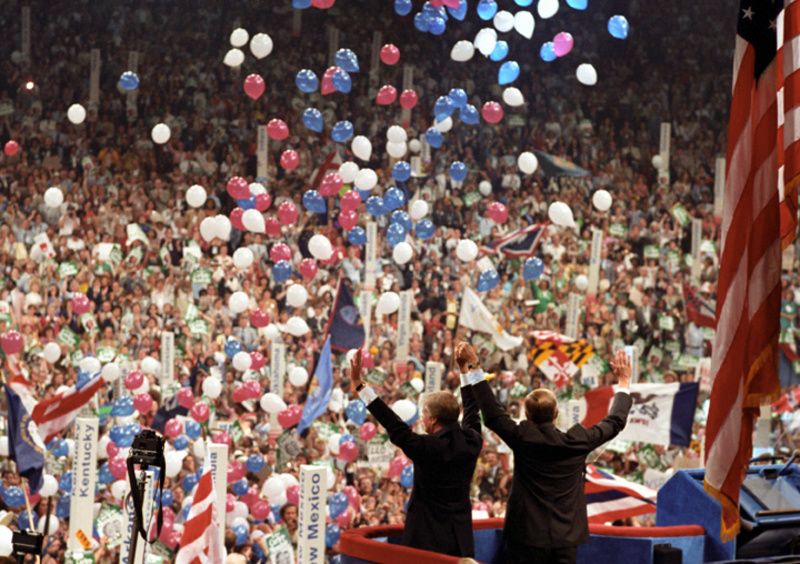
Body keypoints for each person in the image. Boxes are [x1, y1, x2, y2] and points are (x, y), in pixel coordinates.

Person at [461, 345, 633, 564]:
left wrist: (474, 367)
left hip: (525, 539)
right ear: (556, 414)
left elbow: (492, 414)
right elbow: (615, 421)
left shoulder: (522, 438)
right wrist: (624, 383)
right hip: (565, 541)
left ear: (527, 415)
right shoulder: (578, 442)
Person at [349, 343, 482, 557]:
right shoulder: (472, 441)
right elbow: (473, 410)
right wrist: (466, 371)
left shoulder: (427, 447)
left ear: (433, 419)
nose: (421, 418)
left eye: (424, 414)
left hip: (425, 542)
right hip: (460, 540)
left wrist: (360, 386)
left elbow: (393, 423)